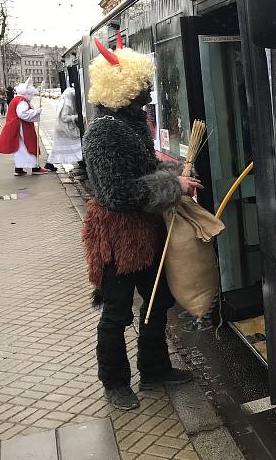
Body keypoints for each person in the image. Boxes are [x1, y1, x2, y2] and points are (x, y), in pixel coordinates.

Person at [81, 36, 199, 411]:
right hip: (117, 237)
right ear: (123, 89)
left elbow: (144, 172)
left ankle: (154, 369)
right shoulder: (104, 131)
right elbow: (116, 193)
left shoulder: (130, 123)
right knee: (116, 314)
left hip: (145, 232)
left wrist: (174, 174)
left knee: (157, 302)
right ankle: (114, 383)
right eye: (143, 88)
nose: (149, 94)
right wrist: (172, 184)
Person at [0, 78, 50, 175]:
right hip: (22, 127)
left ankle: (19, 168)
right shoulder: (21, 101)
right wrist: (36, 112)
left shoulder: (17, 99)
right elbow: (23, 114)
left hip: (17, 126)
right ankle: (34, 167)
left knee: (19, 147)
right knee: (29, 145)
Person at [44, 86, 83, 170]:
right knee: (77, 143)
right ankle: (81, 160)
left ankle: (49, 163)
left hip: (62, 128)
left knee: (59, 146)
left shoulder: (64, 101)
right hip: (65, 128)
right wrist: (76, 117)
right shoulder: (67, 104)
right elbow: (64, 117)